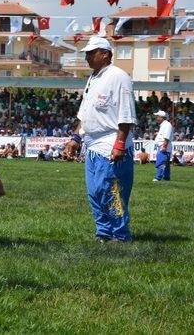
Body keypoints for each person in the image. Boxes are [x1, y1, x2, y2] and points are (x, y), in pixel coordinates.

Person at [64, 36, 137, 243]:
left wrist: (120, 143)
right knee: (94, 193)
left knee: (111, 190)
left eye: (91, 52)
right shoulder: (93, 78)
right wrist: (76, 138)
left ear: (105, 54)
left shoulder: (118, 77)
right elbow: (84, 114)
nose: (87, 57)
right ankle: (103, 232)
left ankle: (121, 235)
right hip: (92, 144)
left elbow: (126, 114)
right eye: (86, 53)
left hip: (110, 142)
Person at [152, 110, 173, 182]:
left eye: (157, 116)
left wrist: (164, 146)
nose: (156, 118)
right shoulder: (164, 125)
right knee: (165, 163)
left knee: (161, 162)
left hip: (163, 147)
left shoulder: (167, 125)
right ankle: (166, 177)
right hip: (163, 146)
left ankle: (158, 177)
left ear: (161, 117)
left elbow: (166, 137)